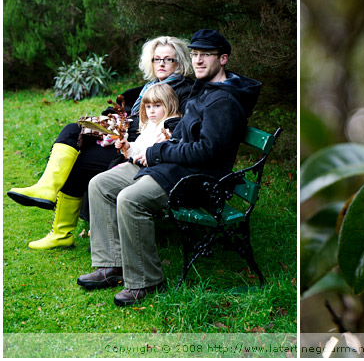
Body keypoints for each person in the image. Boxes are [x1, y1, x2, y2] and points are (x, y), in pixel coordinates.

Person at [77, 29, 261, 307]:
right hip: (173, 166)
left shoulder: (224, 101)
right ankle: (111, 265)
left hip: (198, 179)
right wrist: (155, 145)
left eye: (206, 55)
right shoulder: (205, 90)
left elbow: (208, 151)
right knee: (101, 184)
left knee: (130, 199)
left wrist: (158, 151)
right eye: (195, 54)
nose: (198, 60)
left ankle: (145, 281)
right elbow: (187, 133)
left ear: (223, 59)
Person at [7, 36, 194, 250]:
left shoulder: (184, 90)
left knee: (79, 159)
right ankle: (47, 192)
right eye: (156, 59)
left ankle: (60, 229)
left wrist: (152, 127)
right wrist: (112, 119)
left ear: (179, 63)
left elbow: (181, 121)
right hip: (121, 138)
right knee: (72, 131)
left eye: (168, 59)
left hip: (138, 148)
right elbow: (123, 107)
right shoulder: (148, 87)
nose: (161, 63)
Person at [114, 82, 181, 163]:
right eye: (148, 107)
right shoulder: (149, 124)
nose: (151, 111)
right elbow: (140, 146)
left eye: (157, 106)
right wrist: (128, 147)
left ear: (169, 105)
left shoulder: (171, 126)